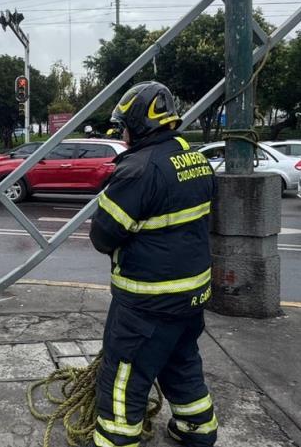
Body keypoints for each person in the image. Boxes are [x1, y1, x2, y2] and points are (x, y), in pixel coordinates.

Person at [89, 81, 218, 447]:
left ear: (140, 125)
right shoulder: (198, 160)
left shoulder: (138, 170)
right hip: (191, 296)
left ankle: (116, 441)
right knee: (180, 360)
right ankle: (198, 430)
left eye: (125, 127)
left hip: (147, 303)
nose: (124, 136)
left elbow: (103, 237)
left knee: (123, 379)